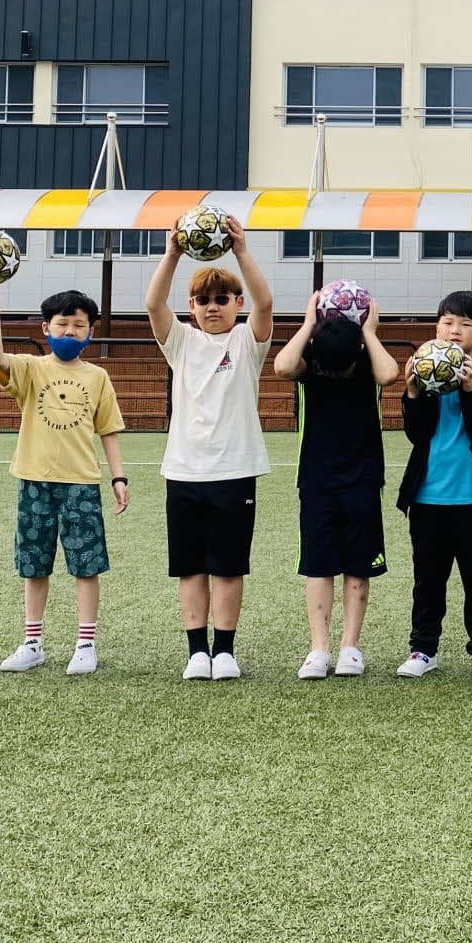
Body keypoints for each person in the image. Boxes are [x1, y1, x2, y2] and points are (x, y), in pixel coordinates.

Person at [146, 220, 273, 681]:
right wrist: (174, 253)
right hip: (184, 470)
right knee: (190, 567)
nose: (213, 307)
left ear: (236, 304)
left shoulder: (247, 341)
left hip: (235, 470)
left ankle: (225, 651)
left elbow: (266, 303)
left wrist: (241, 251)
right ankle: (196, 651)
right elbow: (152, 303)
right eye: (203, 301)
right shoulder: (180, 341)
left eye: (223, 300)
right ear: (192, 307)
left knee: (228, 567)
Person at [0, 282, 127, 676]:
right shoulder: (31, 368)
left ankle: (85, 644)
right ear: (45, 328)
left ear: (90, 332)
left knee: (86, 565)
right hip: (34, 480)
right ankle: (32, 642)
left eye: (79, 325)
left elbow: (109, 431)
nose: (70, 332)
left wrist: (119, 477)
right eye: (62, 324)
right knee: (34, 564)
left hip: (81, 483)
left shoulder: (98, 376)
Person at [274, 292, 400, 681]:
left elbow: (389, 374)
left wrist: (369, 332)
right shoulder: (308, 368)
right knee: (319, 566)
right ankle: (319, 648)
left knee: (358, 567)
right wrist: (308, 324)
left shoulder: (366, 365)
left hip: (362, 480)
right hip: (316, 480)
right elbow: (281, 366)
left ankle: (350, 647)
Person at [396, 291, 472, 680]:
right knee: (428, 578)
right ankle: (422, 649)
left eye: (465, 324)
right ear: (437, 328)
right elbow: (416, 433)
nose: (455, 330)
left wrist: (470, 388)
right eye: (448, 322)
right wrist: (414, 390)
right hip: (428, 496)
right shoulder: (425, 374)